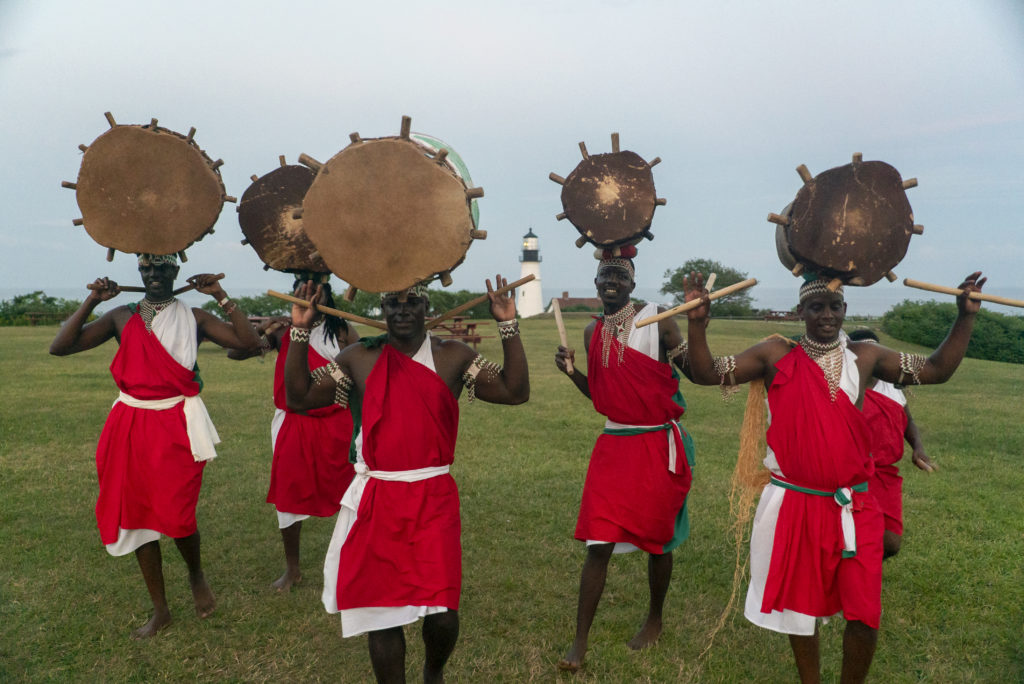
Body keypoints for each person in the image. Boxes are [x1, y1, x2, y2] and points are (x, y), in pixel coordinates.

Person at [682, 271, 985, 684]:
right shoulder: (775, 354)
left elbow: (936, 370)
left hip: (854, 505)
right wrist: (698, 324)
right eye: (817, 307)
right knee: (799, 612)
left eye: (835, 307)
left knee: (865, 612)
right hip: (795, 503)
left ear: (846, 310)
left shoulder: (866, 356)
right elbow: (705, 372)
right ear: (800, 311)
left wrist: (964, 317)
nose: (827, 316)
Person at [285, 275, 529, 684]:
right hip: (378, 496)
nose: (401, 309)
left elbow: (514, 390)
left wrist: (507, 323)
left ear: (425, 307)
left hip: (433, 495)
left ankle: (433, 671)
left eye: (411, 301)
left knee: (443, 612)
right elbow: (299, 397)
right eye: (392, 301)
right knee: (381, 613)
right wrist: (299, 330)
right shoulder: (358, 358)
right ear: (382, 309)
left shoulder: (452, 356)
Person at [50, 254, 261, 638]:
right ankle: (160, 609)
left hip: (175, 424)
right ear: (140, 272)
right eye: (147, 269)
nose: (155, 275)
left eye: (163, 268)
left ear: (175, 271)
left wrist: (221, 295)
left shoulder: (194, 317)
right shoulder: (121, 316)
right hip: (128, 424)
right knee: (136, 516)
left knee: (178, 513)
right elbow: (60, 347)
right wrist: (91, 301)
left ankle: (196, 574)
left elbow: (250, 343)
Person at [554, 246, 696, 672]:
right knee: (598, 541)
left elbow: (695, 371)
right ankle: (579, 643)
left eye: (619, 276)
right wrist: (572, 374)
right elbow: (602, 397)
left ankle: (654, 618)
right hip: (614, 446)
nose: (611, 282)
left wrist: (698, 328)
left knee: (658, 539)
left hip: (656, 445)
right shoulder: (591, 332)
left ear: (632, 284)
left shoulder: (659, 321)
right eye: (604, 277)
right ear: (596, 284)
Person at [227, 274, 359, 590]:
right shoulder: (283, 331)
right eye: (304, 290)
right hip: (292, 424)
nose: (311, 295)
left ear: (328, 296)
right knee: (289, 494)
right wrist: (262, 329)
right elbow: (236, 353)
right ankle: (292, 569)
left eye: (318, 291)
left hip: (336, 422)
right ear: (294, 293)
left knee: (351, 492)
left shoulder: (342, 331)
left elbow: (362, 370)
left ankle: (352, 561)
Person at [847, 329, 935, 560]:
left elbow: (908, 421)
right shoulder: (843, 384)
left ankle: (864, 567)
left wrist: (918, 448)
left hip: (885, 475)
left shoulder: (892, 386)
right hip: (852, 473)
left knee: (891, 542)